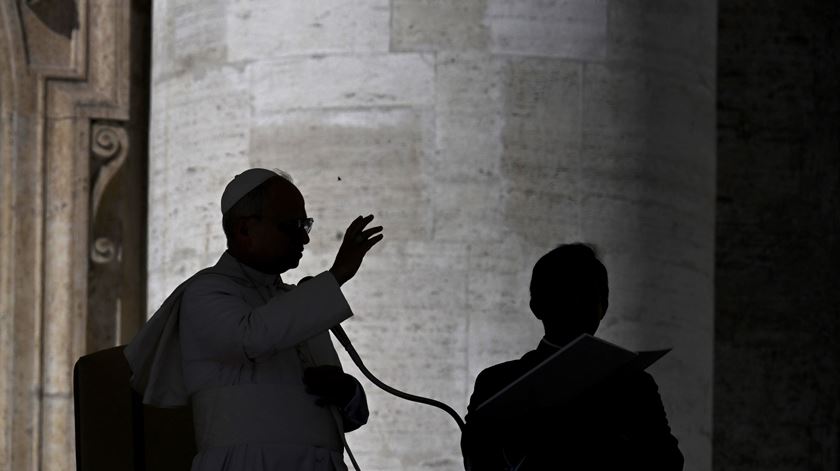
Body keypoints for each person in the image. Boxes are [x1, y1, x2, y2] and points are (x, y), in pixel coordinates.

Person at [125, 168, 383, 471]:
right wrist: (336, 276)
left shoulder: (297, 301)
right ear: (245, 230)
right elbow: (251, 338)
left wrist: (346, 391)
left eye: (306, 225)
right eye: (293, 225)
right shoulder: (205, 293)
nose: (304, 237)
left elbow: (351, 415)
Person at [461, 243, 684, 470]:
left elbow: (669, 463)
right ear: (537, 307)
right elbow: (477, 461)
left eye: (587, 294)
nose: (576, 303)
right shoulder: (495, 383)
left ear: (603, 307)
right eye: (564, 293)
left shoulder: (635, 385)